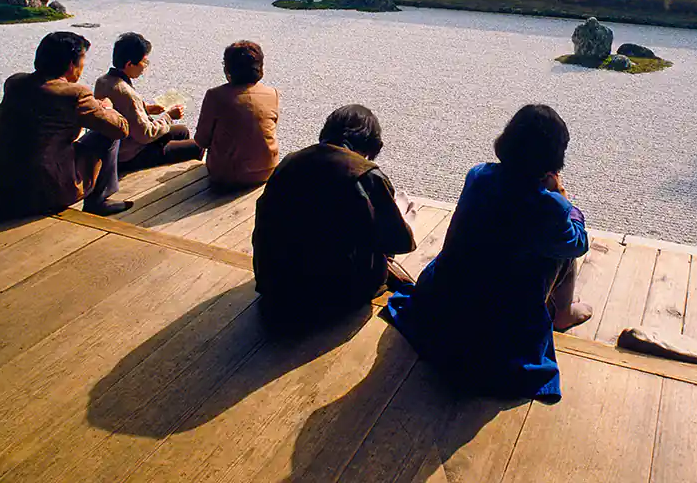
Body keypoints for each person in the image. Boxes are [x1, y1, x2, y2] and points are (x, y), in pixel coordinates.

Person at [383, 104, 591, 402]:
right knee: (564, 243)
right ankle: (564, 313)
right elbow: (579, 243)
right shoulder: (549, 208)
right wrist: (563, 198)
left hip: (441, 306)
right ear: (552, 160)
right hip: (498, 335)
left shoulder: (478, 175)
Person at [253, 105, 416, 325]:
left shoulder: (290, 162)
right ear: (373, 144)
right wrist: (403, 220)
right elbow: (399, 243)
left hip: (274, 288)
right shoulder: (365, 174)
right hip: (332, 298)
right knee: (393, 224)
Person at [0, 31, 132, 221]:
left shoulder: (15, 82)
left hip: (0, 193)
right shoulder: (75, 94)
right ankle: (98, 201)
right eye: (82, 61)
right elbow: (121, 129)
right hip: (42, 194)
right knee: (106, 135)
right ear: (71, 64)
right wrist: (108, 108)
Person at [94, 32, 203, 173]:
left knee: (182, 131)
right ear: (129, 64)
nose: (145, 66)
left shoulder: (102, 81)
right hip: (131, 154)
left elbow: (124, 110)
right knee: (197, 146)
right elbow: (146, 134)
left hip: (120, 146)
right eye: (144, 62)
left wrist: (147, 109)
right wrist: (169, 116)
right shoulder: (125, 92)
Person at [195, 41, 281, 189]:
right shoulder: (272, 93)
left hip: (226, 175)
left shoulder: (215, 95)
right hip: (267, 170)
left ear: (228, 69)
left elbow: (202, 140)